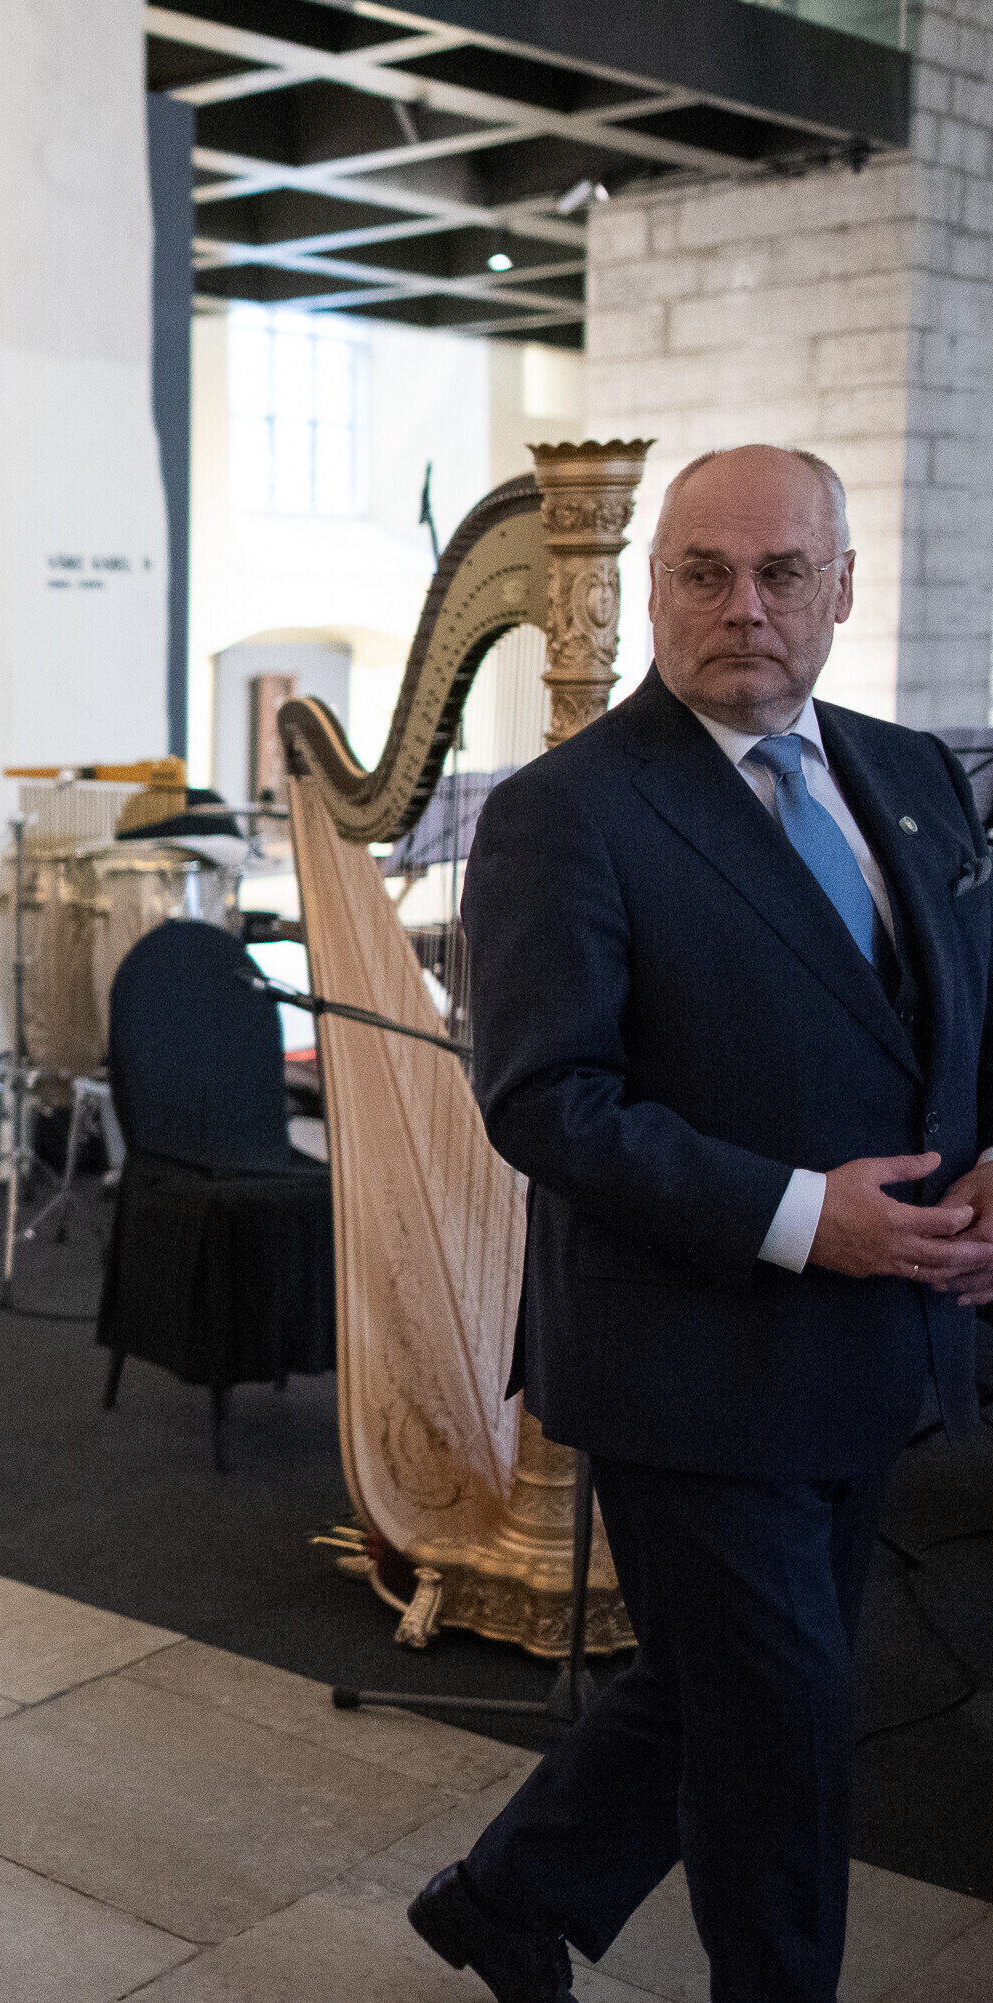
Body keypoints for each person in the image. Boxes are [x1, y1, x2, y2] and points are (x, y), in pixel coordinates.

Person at [415, 444, 991, 2003]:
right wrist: (807, 1217)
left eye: (783, 572)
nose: (747, 606)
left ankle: (506, 1895)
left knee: (718, 1686)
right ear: (655, 588)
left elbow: (963, 1008)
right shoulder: (564, 811)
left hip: (880, 1337)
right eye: (705, 572)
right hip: (687, 1355)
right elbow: (548, 1098)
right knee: (784, 1728)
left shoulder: (914, 773)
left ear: (842, 588)